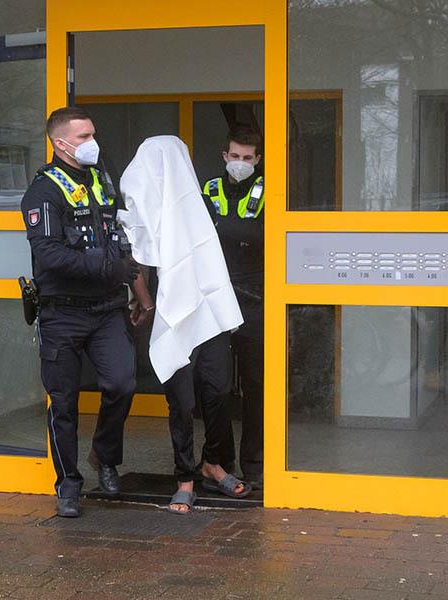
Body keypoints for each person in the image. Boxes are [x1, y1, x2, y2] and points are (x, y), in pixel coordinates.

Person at [119, 136, 250, 515]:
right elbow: (135, 260)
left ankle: (213, 462)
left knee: (218, 387)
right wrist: (145, 300)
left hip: (205, 313)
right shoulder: (137, 206)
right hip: (166, 311)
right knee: (181, 399)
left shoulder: (194, 202)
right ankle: (184, 477)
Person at [20, 106, 140, 518]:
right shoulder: (43, 192)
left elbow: (119, 234)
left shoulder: (102, 180)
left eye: (93, 134)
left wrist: (135, 282)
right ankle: (68, 484)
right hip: (63, 314)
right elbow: (50, 256)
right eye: (84, 136)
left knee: (122, 383)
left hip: (107, 308)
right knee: (64, 403)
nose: (92, 142)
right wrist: (108, 267)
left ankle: (104, 455)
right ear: (61, 143)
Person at [201, 126, 265, 489]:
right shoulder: (208, 189)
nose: (240, 163)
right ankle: (219, 460)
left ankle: (253, 464)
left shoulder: (270, 190)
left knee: (256, 385)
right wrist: (242, 229)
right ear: (224, 156)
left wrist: (220, 226)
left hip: (256, 298)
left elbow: (265, 235)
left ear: (258, 160)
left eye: (248, 158)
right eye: (235, 156)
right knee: (217, 385)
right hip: (215, 298)